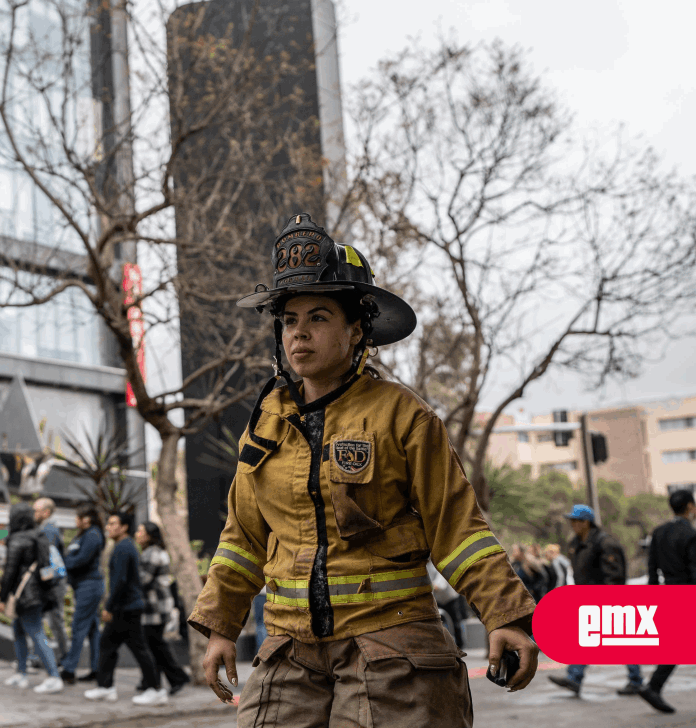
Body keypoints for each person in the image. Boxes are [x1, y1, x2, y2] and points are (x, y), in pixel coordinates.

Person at [193, 215, 540, 725]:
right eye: (289, 320)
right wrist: (222, 626)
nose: (299, 334)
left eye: (318, 318)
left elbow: (458, 528)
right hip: (290, 651)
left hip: (393, 646)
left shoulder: (404, 416)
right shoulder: (264, 427)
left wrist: (505, 615)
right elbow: (242, 538)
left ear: (356, 330)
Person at [549, 505, 644, 697]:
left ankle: (636, 681)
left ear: (587, 523)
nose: (572, 525)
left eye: (576, 521)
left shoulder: (605, 543)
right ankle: (575, 679)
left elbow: (615, 575)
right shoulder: (575, 543)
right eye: (572, 521)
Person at [84, 512, 163, 705]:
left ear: (124, 527)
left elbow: (120, 581)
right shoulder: (126, 546)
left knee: (137, 649)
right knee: (109, 645)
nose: (108, 527)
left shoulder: (123, 548)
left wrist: (109, 607)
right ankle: (106, 687)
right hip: (127, 606)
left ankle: (155, 689)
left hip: (126, 607)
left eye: (112, 523)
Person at [634, 489, 696, 714]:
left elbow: (651, 568)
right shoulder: (690, 534)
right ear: (690, 507)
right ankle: (653, 687)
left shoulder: (659, 532)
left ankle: (653, 687)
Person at [0, 502, 63, 693]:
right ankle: (21, 672)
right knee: (19, 630)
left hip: (24, 594)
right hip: (37, 594)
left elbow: (10, 571)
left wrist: (2, 597)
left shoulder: (16, 539)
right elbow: (46, 567)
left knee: (35, 632)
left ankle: (53, 676)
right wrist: (47, 590)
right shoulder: (40, 536)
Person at [135, 522, 190, 696]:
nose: (137, 534)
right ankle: (152, 680)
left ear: (149, 535)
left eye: (140, 531)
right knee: (154, 643)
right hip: (158, 605)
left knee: (155, 644)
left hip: (155, 606)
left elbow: (143, 580)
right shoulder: (154, 552)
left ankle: (177, 676)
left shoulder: (152, 554)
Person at [60, 505, 105, 684]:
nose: (75, 521)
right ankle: (96, 668)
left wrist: (63, 562)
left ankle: (69, 669)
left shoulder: (93, 535)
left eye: (78, 517)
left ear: (86, 519)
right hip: (83, 586)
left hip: (90, 586)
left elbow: (80, 559)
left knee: (79, 627)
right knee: (93, 630)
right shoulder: (83, 535)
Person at [33, 497, 68, 663]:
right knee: (45, 620)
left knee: (54, 621)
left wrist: (44, 582)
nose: (34, 514)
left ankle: (64, 657)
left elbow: (49, 561)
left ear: (46, 512)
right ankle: (39, 656)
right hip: (53, 582)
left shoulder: (48, 530)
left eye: (36, 511)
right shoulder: (47, 528)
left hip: (53, 583)